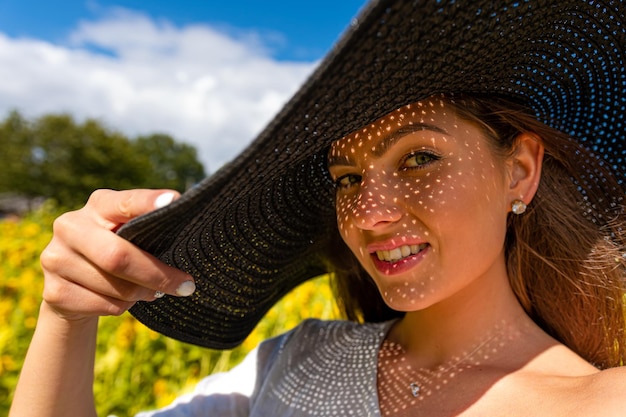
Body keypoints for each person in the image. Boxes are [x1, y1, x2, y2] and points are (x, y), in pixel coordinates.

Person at [10, 0, 626, 416]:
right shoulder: (291, 363)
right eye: (349, 177)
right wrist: (66, 316)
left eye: (418, 159)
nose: (369, 212)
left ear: (520, 171)